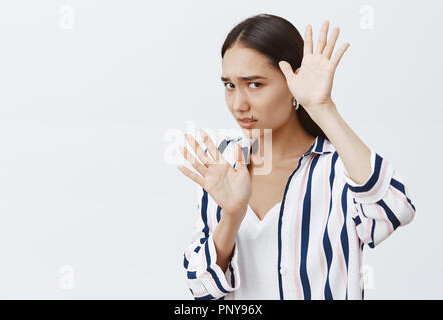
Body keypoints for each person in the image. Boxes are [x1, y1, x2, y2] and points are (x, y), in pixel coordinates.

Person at [177, 14, 416, 300]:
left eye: (255, 84)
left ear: (293, 82)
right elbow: (202, 291)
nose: (238, 104)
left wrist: (321, 106)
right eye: (229, 85)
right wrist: (231, 215)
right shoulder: (223, 163)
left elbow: (395, 209)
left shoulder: (339, 166)